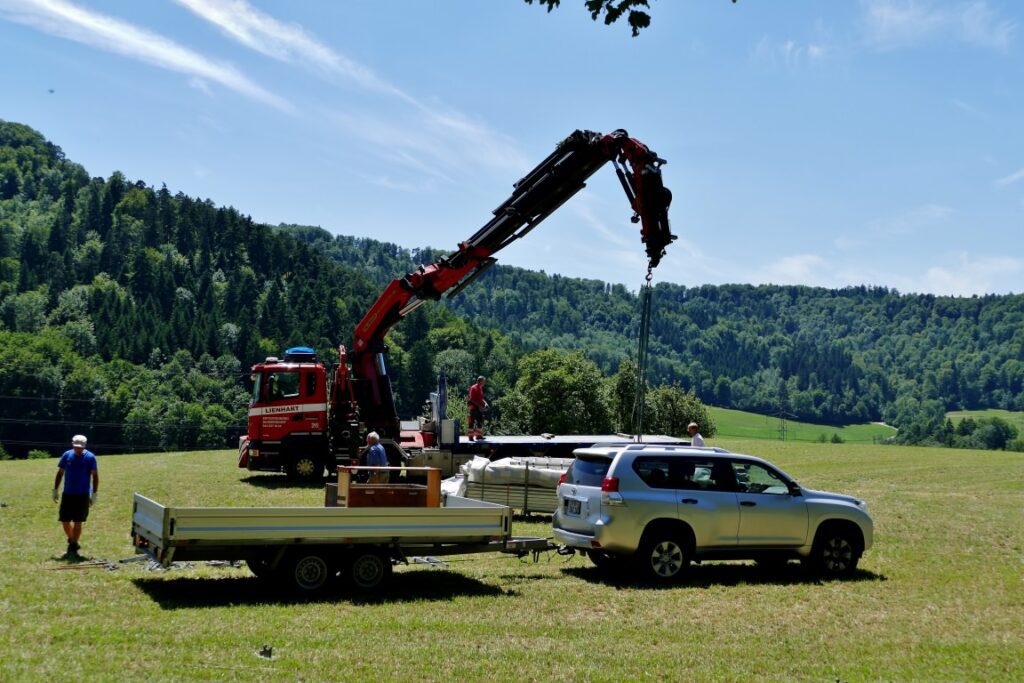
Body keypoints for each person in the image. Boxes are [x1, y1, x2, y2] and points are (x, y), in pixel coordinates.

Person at [52, 434, 99, 557]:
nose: (78, 449)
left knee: (78, 521)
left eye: (81, 447)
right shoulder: (67, 455)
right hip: (68, 493)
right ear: (73, 445)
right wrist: (55, 489)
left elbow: (95, 476)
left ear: (84, 446)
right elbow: (60, 473)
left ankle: (72, 546)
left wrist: (94, 493)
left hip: (82, 495)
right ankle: (73, 541)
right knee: (64, 520)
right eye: (76, 447)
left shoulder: (90, 457)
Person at [467, 376, 488, 441]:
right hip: (473, 407)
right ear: (480, 381)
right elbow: (472, 399)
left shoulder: (480, 388)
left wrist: (485, 403)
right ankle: (470, 437)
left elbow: (481, 398)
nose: (484, 383)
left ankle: (478, 436)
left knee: (480, 421)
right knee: (471, 421)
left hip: (479, 407)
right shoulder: (474, 388)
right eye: (483, 381)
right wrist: (479, 406)